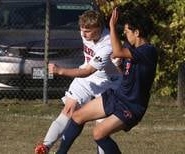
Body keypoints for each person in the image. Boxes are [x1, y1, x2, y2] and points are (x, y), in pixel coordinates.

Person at [55, 7, 158, 154]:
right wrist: (118, 66)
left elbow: (117, 52)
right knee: (78, 116)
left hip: (132, 105)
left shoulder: (149, 51)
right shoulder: (132, 46)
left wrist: (111, 27)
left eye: (128, 31)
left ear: (137, 33)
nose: (125, 33)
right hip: (117, 96)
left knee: (99, 133)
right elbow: (124, 69)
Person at [35, 10, 122, 154]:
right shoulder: (85, 33)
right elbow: (87, 71)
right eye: (82, 30)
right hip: (87, 79)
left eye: (88, 31)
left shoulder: (107, 45)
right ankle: (45, 147)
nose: (84, 34)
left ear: (99, 28)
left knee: (100, 127)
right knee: (69, 109)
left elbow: (88, 71)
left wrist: (60, 71)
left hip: (108, 82)